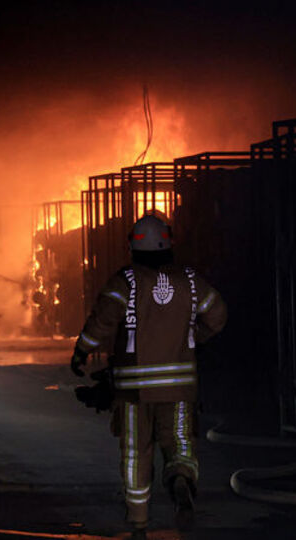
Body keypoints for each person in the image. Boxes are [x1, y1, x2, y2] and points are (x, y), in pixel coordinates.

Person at [71, 215, 227, 539]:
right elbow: (218, 314)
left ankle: (139, 522)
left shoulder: (124, 282)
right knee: (180, 443)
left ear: (133, 244)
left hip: (133, 392)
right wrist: (193, 337)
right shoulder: (191, 281)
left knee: (135, 452)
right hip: (179, 387)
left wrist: (81, 351)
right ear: (169, 242)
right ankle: (181, 480)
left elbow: (101, 322)